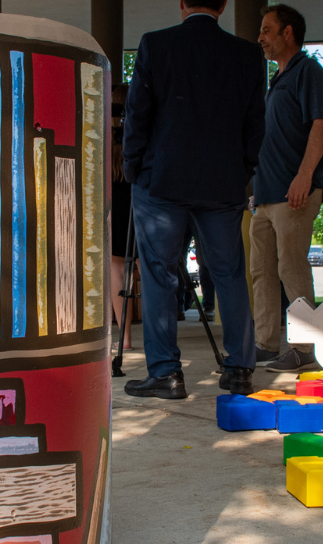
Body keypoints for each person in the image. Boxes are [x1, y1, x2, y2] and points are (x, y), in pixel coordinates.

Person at [122, 0, 264, 399]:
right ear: (223, 5)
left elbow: (138, 114)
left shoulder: (155, 44)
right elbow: (256, 123)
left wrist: (133, 168)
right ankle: (239, 371)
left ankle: (166, 373)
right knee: (229, 273)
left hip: (161, 180)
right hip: (223, 183)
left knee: (159, 274)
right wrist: (242, 171)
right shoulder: (247, 54)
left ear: (182, 3)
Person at [250, 3, 323, 374]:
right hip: (265, 196)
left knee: (291, 268)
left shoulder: (308, 70)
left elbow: (319, 125)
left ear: (288, 33)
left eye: (267, 30)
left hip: (294, 191)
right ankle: (266, 345)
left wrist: (305, 175)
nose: (260, 37)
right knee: (261, 271)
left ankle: (304, 348)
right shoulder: (276, 80)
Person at [109, 83, 136, 350]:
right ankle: (156, 337)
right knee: (148, 268)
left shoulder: (106, 136)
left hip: (113, 199)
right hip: (141, 198)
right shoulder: (138, 131)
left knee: (117, 267)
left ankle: (124, 338)